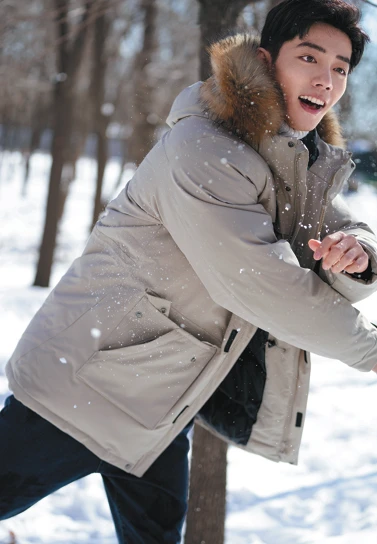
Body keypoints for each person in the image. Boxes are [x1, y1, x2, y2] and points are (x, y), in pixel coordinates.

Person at [2, 0, 377, 542]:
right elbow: (265, 288)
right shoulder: (205, 148)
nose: (326, 81)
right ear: (269, 61)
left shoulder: (291, 157)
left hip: (160, 405)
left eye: (340, 69)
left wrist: (360, 252)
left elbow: (338, 229)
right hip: (79, 388)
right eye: (310, 59)